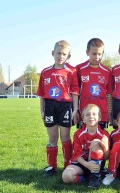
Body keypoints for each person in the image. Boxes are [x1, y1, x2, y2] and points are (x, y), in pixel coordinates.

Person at [36, 40, 79, 177]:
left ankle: (68, 164)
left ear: (69, 56)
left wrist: (75, 109)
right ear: (53, 53)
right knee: (52, 137)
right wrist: (42, 110)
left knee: (65, 137)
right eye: (58, 53)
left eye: (64, 54)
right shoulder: (45, 72)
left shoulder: (72, 71)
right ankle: (51, 167)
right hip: (49, 106)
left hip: (65, 106)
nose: (61, 56)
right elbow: (42, 94)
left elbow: (75, 92)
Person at [62, 104, 110, 188]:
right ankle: (84, 178)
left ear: (99, 117)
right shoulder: (78, 134)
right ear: (83, 119)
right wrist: (87, 164)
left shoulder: (104, 134)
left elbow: (106, 157)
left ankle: (95, 177)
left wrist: (105, 146)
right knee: (66, 177)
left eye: (94, 114)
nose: (91, 117)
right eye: (87, 114)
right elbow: (77, 154)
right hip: (82, 163)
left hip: (96, 165)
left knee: (95, 142)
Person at [76, 38, 112, 129]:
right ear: (87, 52)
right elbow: (75, 93)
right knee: (84, 140)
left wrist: (110, 112)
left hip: (101, 114)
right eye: (94, 54)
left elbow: (109, 94)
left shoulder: (107, 71)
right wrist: (75, 110)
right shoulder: (79, 69)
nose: (97, 57)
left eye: (99, 54)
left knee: (99, 140)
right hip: (84, 114)